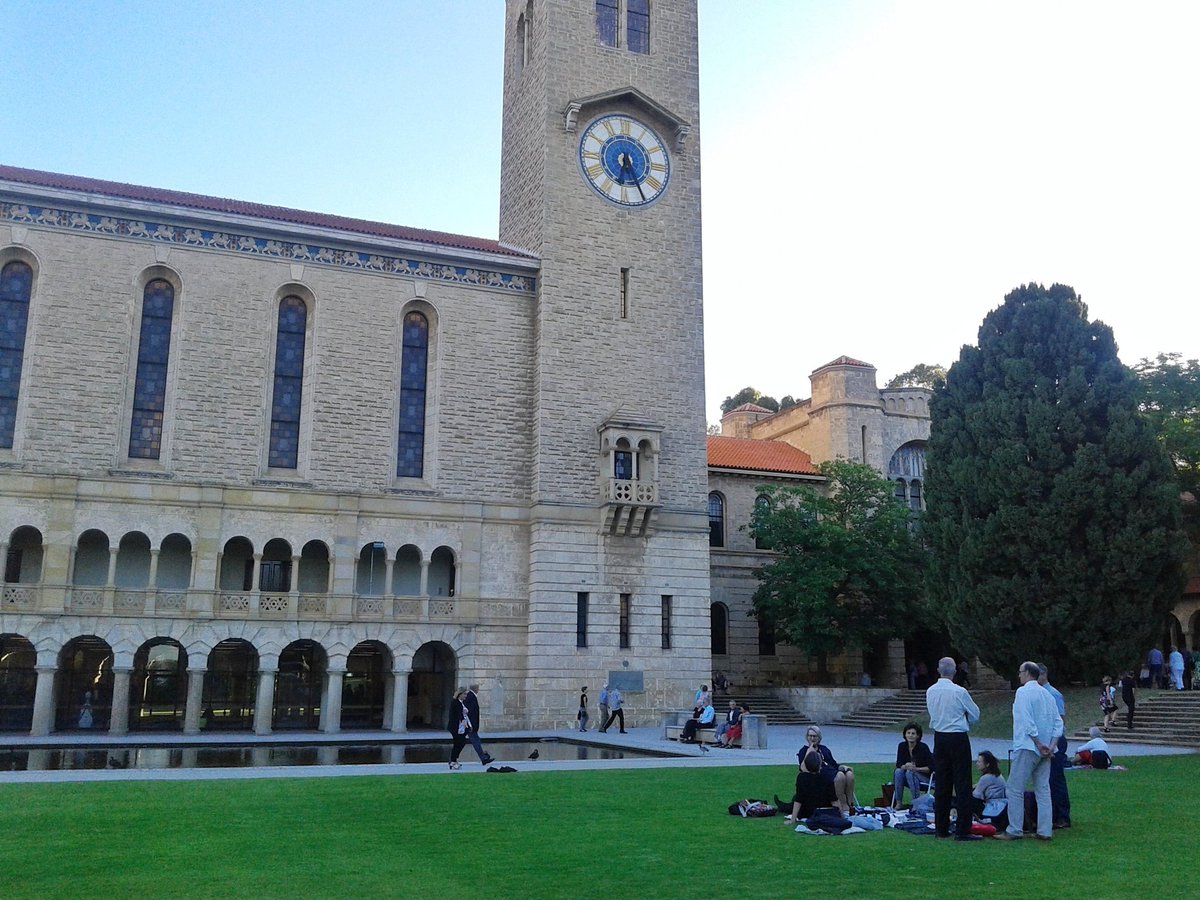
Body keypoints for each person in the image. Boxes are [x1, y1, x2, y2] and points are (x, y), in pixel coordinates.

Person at [995, 661, 1062, 842]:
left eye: (1020, 672)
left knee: (1014, 788)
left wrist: (1039, 743)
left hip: (1028, 746)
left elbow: (1027, 721)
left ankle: (1014, 829)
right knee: (1042, 789)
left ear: (1027, 674)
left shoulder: (1023, 692)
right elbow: (1058, 723)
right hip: (1045, 750)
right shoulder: (1047, 695)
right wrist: (1051, 745)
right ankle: (1044, 830)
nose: (1018, 675)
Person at [926, 656, 981, 841]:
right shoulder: (959, 691)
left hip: (940, 737)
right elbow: (975, 713)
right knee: (962, 783)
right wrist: (965, 720)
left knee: (942, 783)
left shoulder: (931, 691)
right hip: (957, 736)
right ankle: (963, 829)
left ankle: (941, 827)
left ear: (938, 670)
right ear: (955, 671)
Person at [1038, 664, 1070, 829]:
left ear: (1043, 675)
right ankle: (1052, 815)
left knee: (1056, 778)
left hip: (1056, 740)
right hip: (1046, 740)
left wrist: (1054, 743)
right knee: (1046, 780)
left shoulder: (1053, 694)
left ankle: (1063, 816)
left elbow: (1061, 720)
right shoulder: (1040, 694)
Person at [801, 725, 856, 815]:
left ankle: (850, 804)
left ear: (819, 738)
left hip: (832, 771)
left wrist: (844, 767)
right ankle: (842, 805)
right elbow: (803, 768)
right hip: (820, 775)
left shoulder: (824, 749)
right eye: (810, 736)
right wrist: (809, 751)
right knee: (840, 776)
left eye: (815, 736)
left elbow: (834, 764)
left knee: (849, 774)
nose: (812, 738)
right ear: (807, 737)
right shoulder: (804, 751)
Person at [784, 748, 839, 822]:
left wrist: (793, 819)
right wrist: (842, 817)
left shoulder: (802, 777)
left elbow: (798, 800)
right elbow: (834, 800)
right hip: (823, 812)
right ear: (820, 764)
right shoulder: (827, 778)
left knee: (795, 798)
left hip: (807, 812)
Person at [891, 722, 933, 810]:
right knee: (898, 772)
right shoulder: (902, 746)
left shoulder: (923, 748)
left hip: (925, 778)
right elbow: (899, 764)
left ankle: (916, 804)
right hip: (907, 777)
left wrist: (916, 769)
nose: (910, 735)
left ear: (918, 736)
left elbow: (931, 768)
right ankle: (898, 803)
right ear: (905, 735)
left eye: (913, 734)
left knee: (911, 773)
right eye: (908, 733)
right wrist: (905, 766)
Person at [446, 688, 492, 769]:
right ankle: (453, 761)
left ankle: (454, 760)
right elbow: (458, 714)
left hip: (461, 727)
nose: (466, 696)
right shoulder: (456, 702)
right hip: (456, 727)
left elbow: (464, 714)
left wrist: (467, 724)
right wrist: (463, 722)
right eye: (464, 694)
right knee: (458, 743)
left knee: (460, 743)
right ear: (460, 694)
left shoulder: (461, 702)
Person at [971, 750, 1008, 828]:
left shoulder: (986, 778)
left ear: (987, 764)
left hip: (992, 808)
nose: (976, 764)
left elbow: (976, 796)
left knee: (969, 800)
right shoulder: (997, 775)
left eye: (979, 762)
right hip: (1001, 807)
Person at [463, 683, 494, 765]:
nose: (479, 690)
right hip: (470, 725)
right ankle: (483, 758)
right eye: (478, 688)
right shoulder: (471, 696)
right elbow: (471, 713)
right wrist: (472, 725)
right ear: (476, 689)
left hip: (469, 724)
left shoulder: (470, 696)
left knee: (474, 740)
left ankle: (483, 757)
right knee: (474, 740)